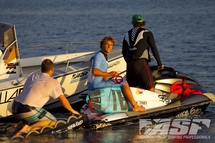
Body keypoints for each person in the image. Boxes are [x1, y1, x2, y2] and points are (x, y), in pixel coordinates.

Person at [7, 59, 79, 136]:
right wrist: (73, 111)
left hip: (15, 107)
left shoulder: (33, 76)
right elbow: (63, 100)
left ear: (42, 68)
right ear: (52, 69)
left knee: (32, 118)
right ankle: (28, 129)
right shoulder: (53, 82)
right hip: (28, 109)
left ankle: (16, 127)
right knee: (53, 121)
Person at [87, 36, 145, 112]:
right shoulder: (99, 56)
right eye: (106, 44)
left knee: (118, 80)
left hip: (96, 83)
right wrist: (109, 74)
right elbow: (95, 71)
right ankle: (135, 106)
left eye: (111, 45)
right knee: (124, 82)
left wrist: (110, 78)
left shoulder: (103, 56)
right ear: (101, 45)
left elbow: (103, 75)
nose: (109, 47)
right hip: (96, 84)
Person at [122, 14, 164, 92]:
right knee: (150, 88)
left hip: (130, 65)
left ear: (133, 23)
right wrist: (159, 64)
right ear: (143, 22)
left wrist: (129, 63)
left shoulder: (126, 34)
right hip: (141, 64)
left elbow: (124, 52)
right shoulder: (147, 32)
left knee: (132, 90)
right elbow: (153, 48)